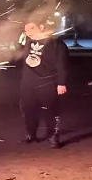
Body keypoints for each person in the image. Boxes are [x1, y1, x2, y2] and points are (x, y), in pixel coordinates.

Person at [19, 15, 69, 148]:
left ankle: (53, 136)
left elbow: (61, 64)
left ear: (41, 27)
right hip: (28, 83)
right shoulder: (28, 41)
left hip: (47, 82)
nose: (27, 31)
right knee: (28, 109)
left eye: (31, 28)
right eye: (26, 29)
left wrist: (61, 83)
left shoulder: (55, 43)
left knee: (51, 110)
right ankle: (31, 134)